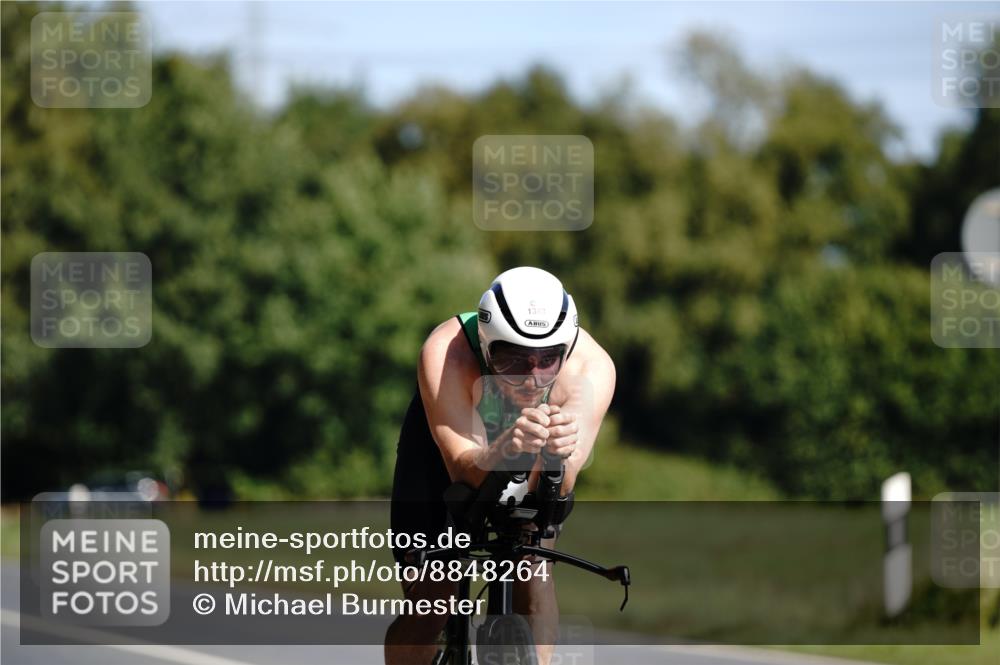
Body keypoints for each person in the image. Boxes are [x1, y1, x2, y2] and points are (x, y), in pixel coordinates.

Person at [384, 266, 616, 665]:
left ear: (566, 349)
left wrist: (556, 458)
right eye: (512, 359)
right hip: (448, 447)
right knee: (432, 602)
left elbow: (559, 491)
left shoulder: (591, 368)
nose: (531, 377)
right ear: (486, 345)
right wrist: (503, 449)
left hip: (529, 455)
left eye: (548, 360)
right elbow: (461, 467)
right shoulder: (447, 351)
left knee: (533, 569)